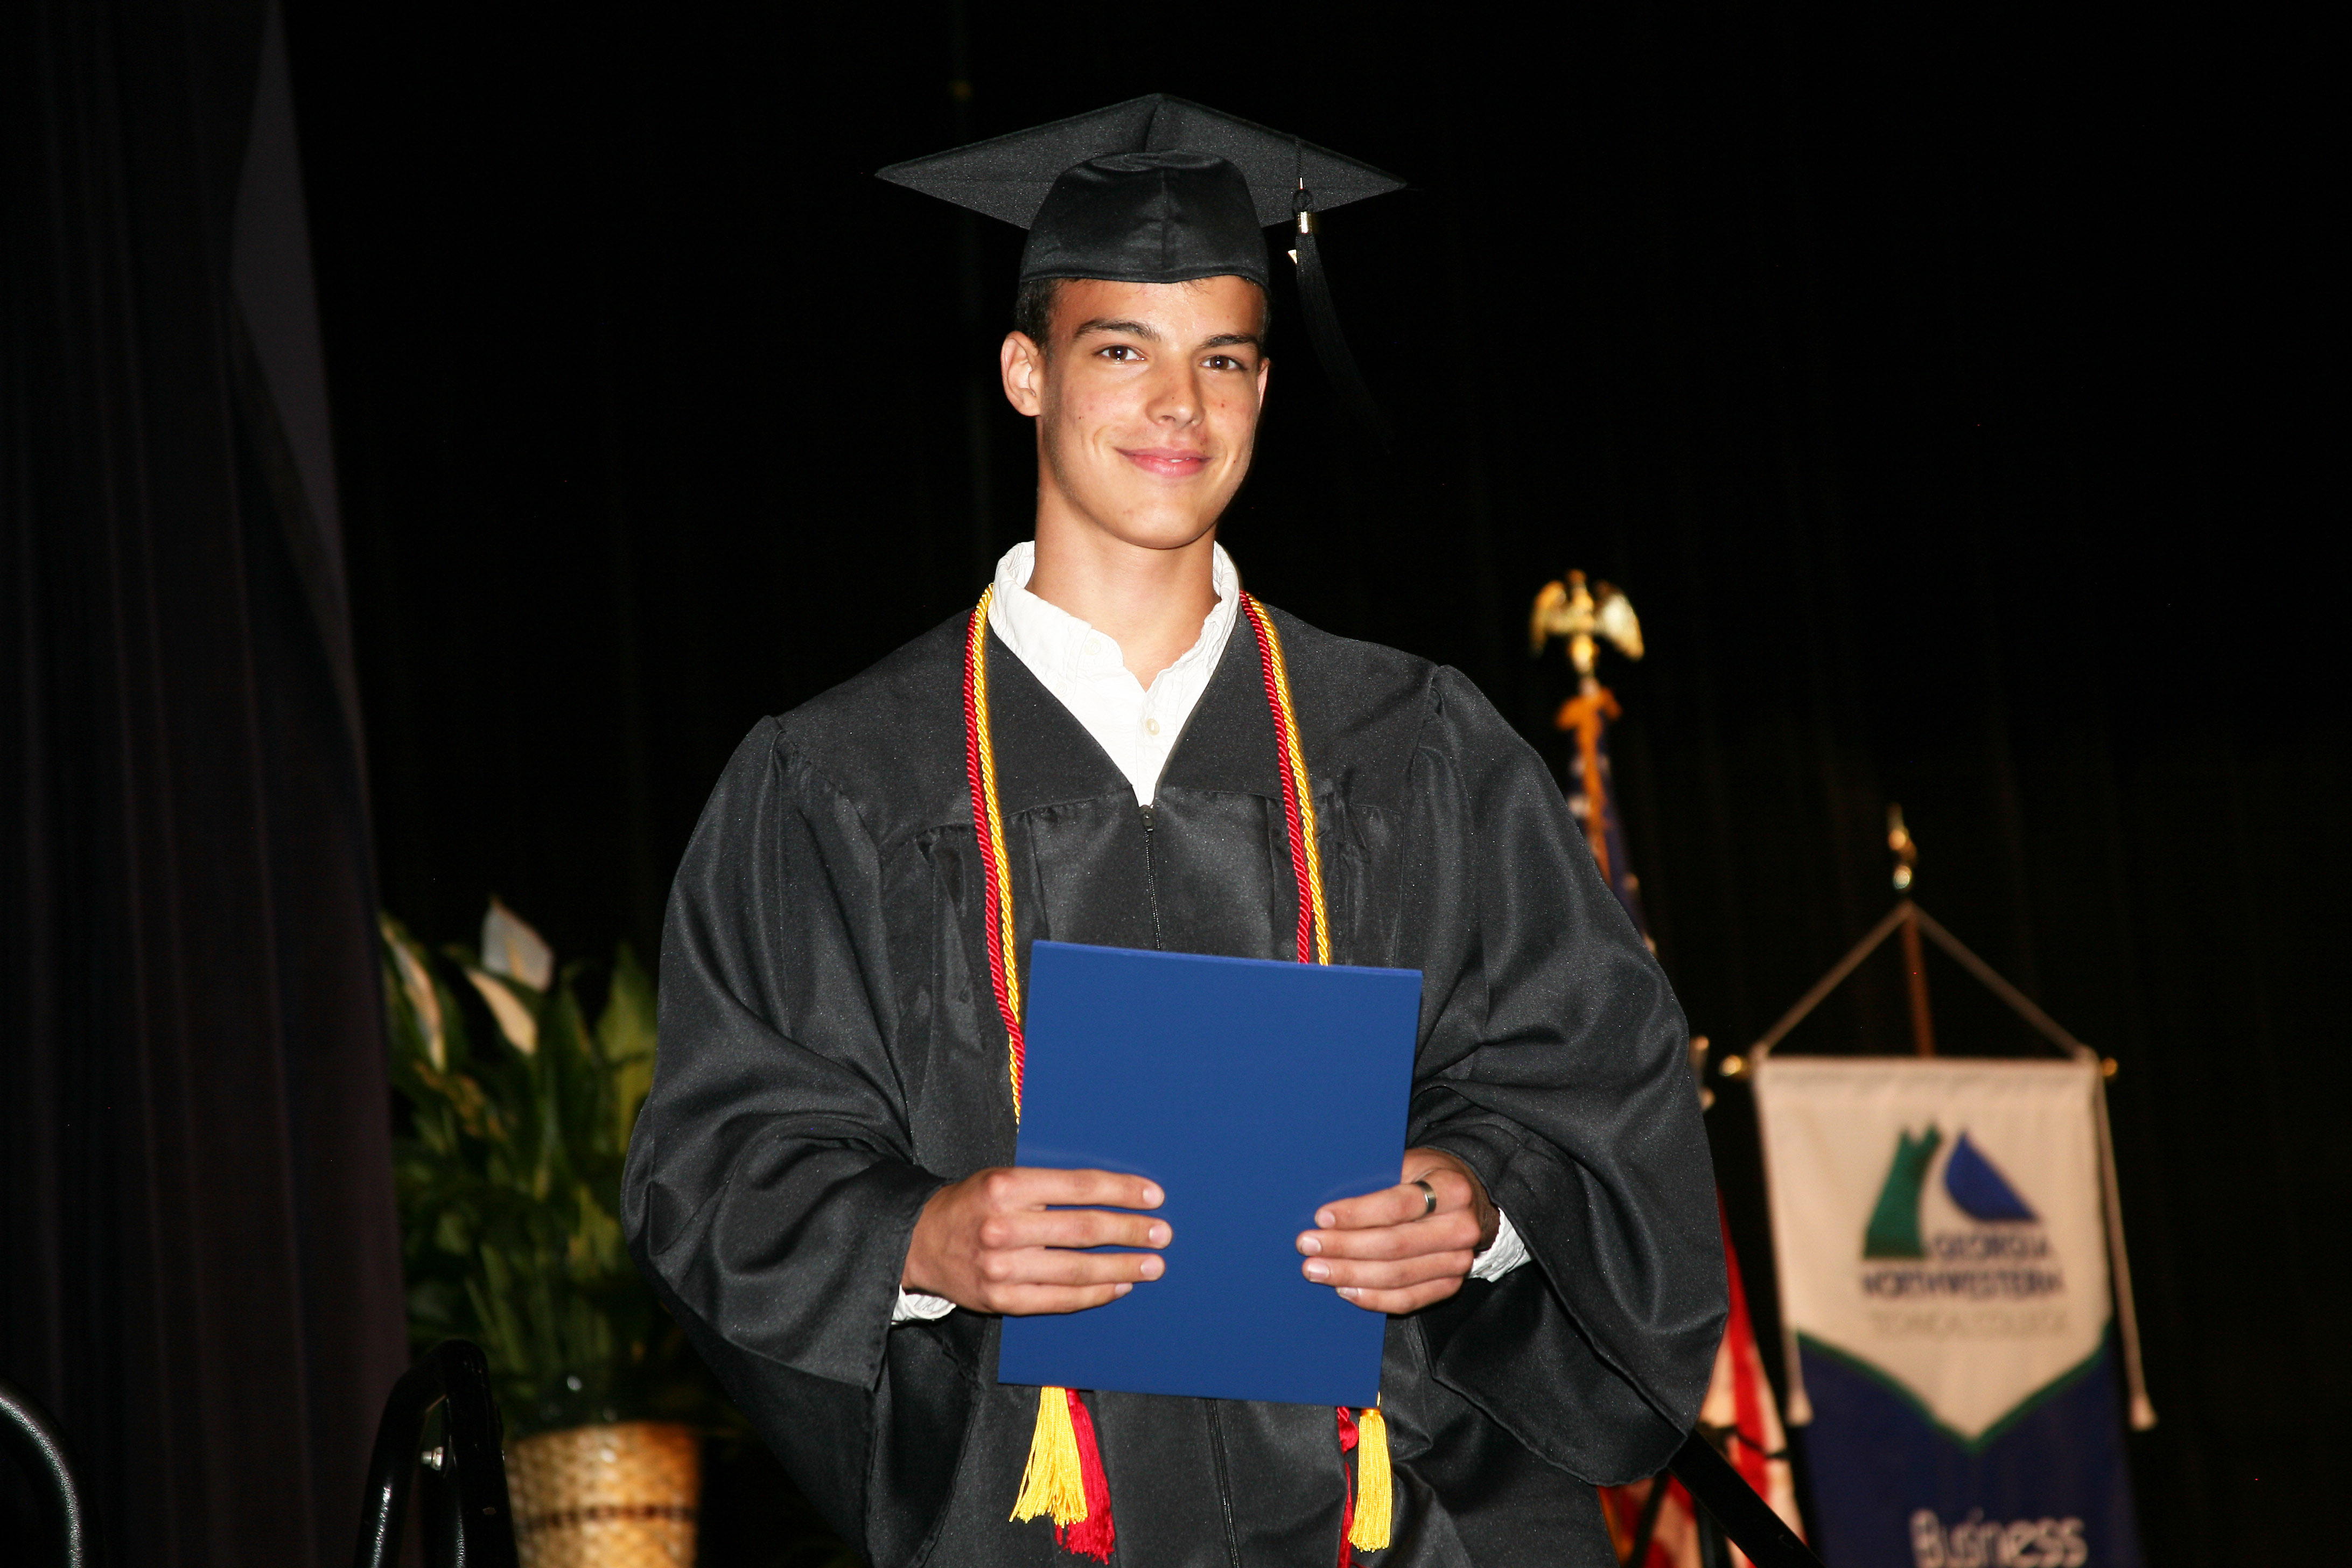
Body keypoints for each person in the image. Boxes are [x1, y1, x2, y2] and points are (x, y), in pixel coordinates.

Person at [623, 95, 1725, 1567]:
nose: (1180, 411)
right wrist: (923, 1240)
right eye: (1121, 352)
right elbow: (721, 1160)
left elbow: (1594, 1066)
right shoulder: (842, 781)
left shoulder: (1414, 745)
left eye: (1225, 359)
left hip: (1404, 1518)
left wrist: (1479, 1198)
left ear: (1265, 391)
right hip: (1034, 1524)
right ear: (1026, 374)